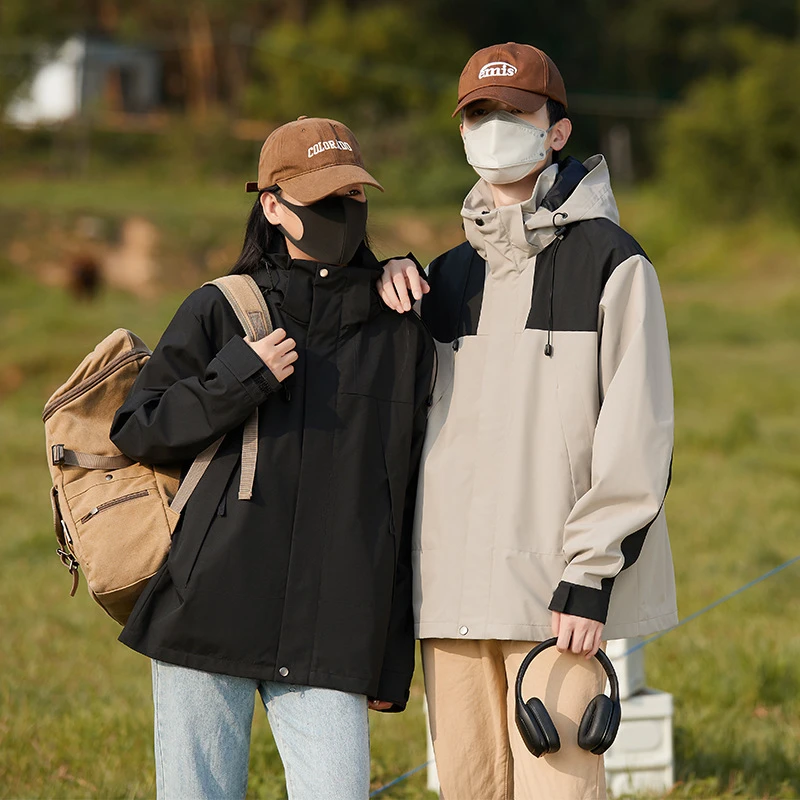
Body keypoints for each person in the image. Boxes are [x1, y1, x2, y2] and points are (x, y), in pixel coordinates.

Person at [379, 43, 677, 799]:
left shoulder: (613, 264)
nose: (494, 127)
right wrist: (376, 280)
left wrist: (590, 575)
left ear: (556, 132)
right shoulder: (439, 280)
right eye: (479, 113)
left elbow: (638, 433)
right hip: (449, 603)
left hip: (556, 599)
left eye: (514, 112)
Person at [110, 115, 435, 800]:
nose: (341, 214)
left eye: (353, 197)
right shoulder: (220, 309)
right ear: (272, 206)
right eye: (321, 200)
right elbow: (136, 429)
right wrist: (238, 380)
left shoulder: (399, 328)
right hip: (206, 613)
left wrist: (387, 658)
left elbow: (402, 501)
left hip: (332, 630)